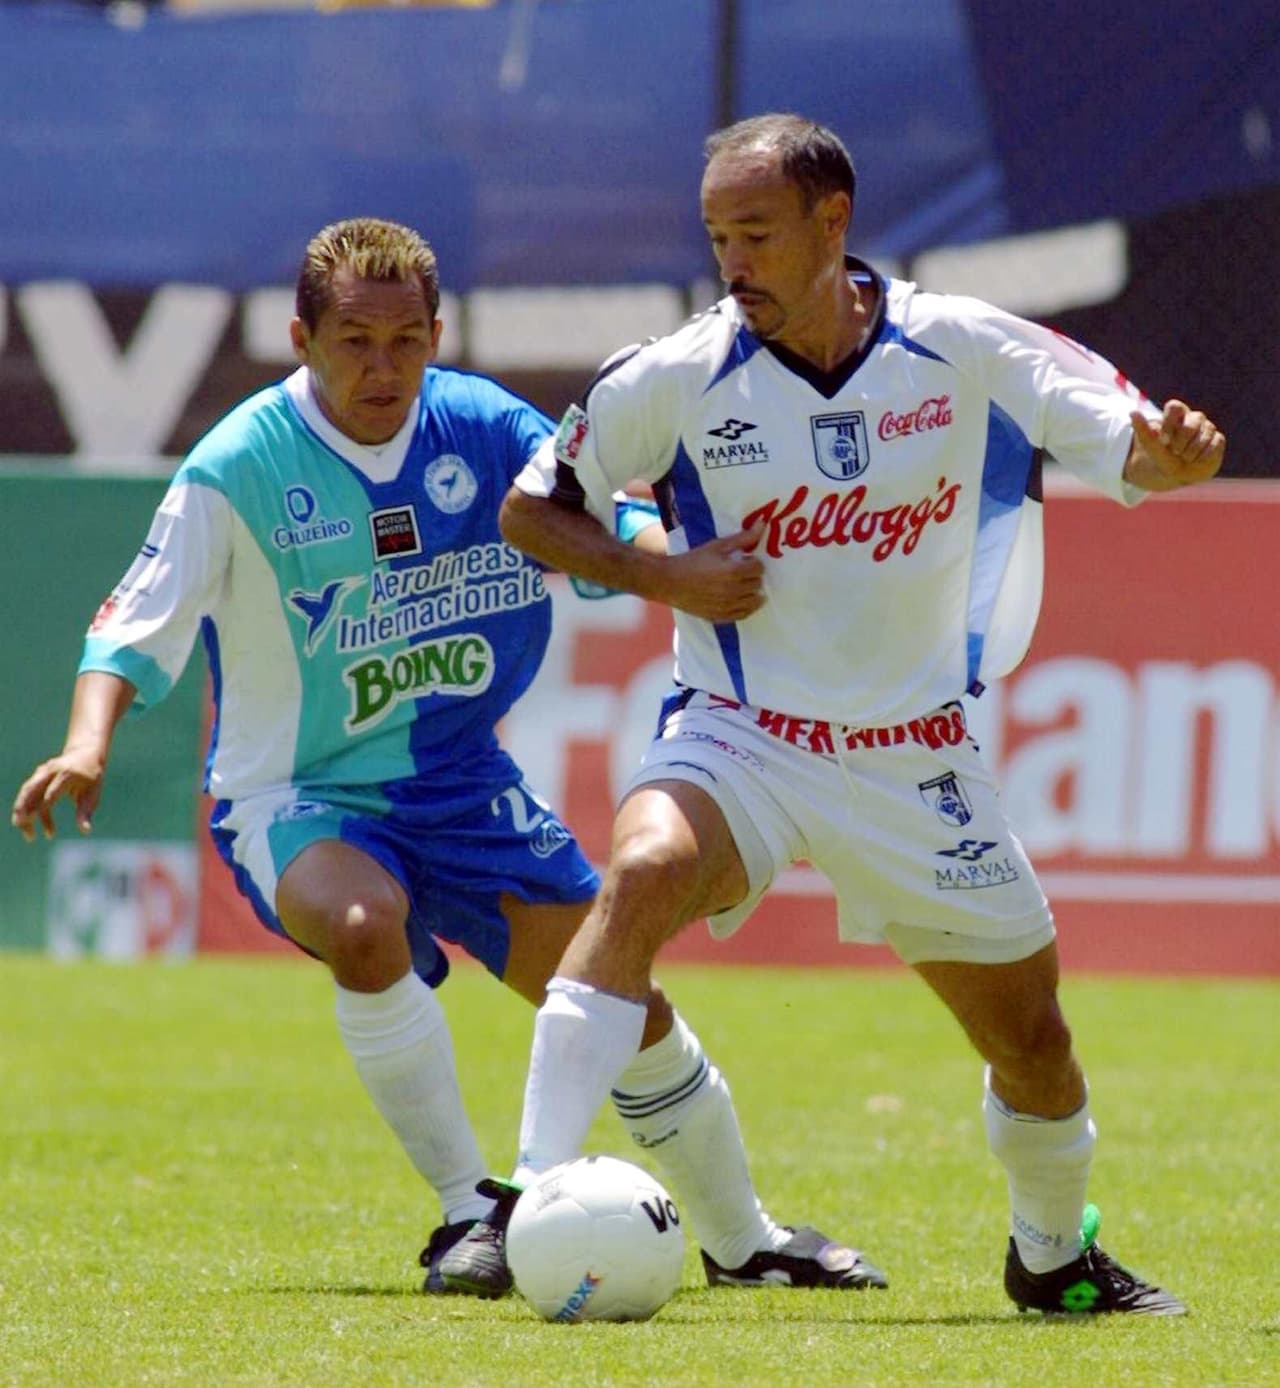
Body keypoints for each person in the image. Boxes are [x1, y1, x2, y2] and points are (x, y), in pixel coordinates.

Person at [10, 216, 884, 1299]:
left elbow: (604, 514)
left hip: (464, 786)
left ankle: (744, 1237)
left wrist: (681, 570)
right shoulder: (237, 465)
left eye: (405, 341)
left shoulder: (482, 428)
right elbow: (131, 627)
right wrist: (86, 743)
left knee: (622, 1001)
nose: (382, 368)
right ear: (301, 338)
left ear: (436, 333)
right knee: (366, 929)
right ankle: (470, 1208)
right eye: (353, 343)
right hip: (297, 794)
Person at [439, 116, 1226, 1313]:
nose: (732, 262)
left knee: (1032, 1046)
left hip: (917, 756)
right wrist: (667, 576)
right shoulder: (673, 373)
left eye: (754, 233)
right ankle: (532, 1197)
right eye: (715, 238)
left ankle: (1051, 1253)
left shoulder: (955, 342)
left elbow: (1125, 442)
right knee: (641, 869)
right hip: (740, 732)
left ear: (832, 222)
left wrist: (1167, 456)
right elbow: (533, 510)